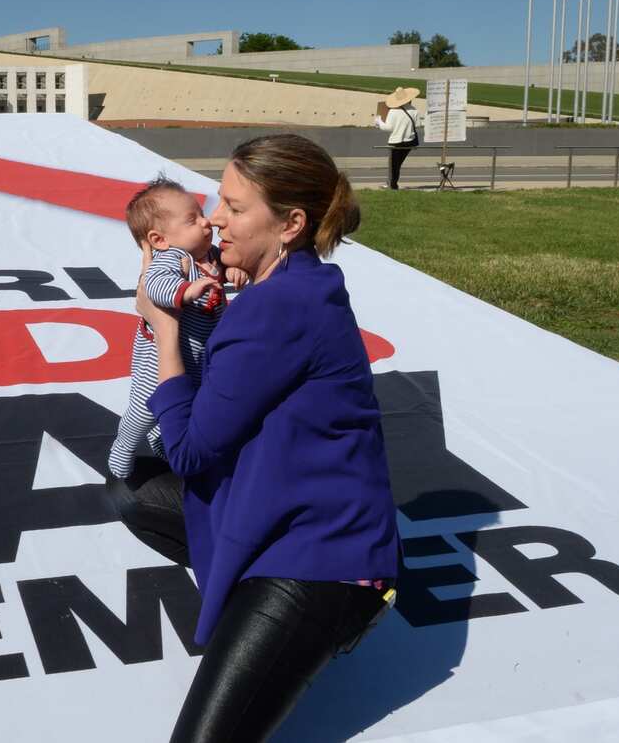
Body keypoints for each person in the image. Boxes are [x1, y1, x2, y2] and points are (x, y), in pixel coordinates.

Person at [108, 134, 400, 742]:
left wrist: (164, 328)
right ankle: (240, 587)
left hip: (320, 561)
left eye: (235, 208)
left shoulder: (273, 309)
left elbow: (188, 450)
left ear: (290, 223)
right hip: (296, 509)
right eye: (219, 201)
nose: (215, 219)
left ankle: (298, 616)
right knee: (133, 491)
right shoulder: (302, 281)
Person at [108, 177, 230, 480]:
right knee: (146, 406)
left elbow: (225, 268)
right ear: (160, 239)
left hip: (197, 356)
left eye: (202, 214)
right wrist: (186, 291)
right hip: (159, 356)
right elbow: (156, 286)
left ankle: (163, 438)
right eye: (193, 220)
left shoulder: (210, 255)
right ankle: (124, 446)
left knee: (191, 404)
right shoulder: (173, 258)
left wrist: (235, 270)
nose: (206, 223)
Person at [375, 87, 420, 189]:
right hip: (410, 142)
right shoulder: (414, 110)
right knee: (398, 164)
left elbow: (388, 127)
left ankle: (392, 184)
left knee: (393, 165)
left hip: (396, 141)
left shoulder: (393, 111)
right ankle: (391, 183)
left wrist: (379, 122)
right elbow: (417, 125)